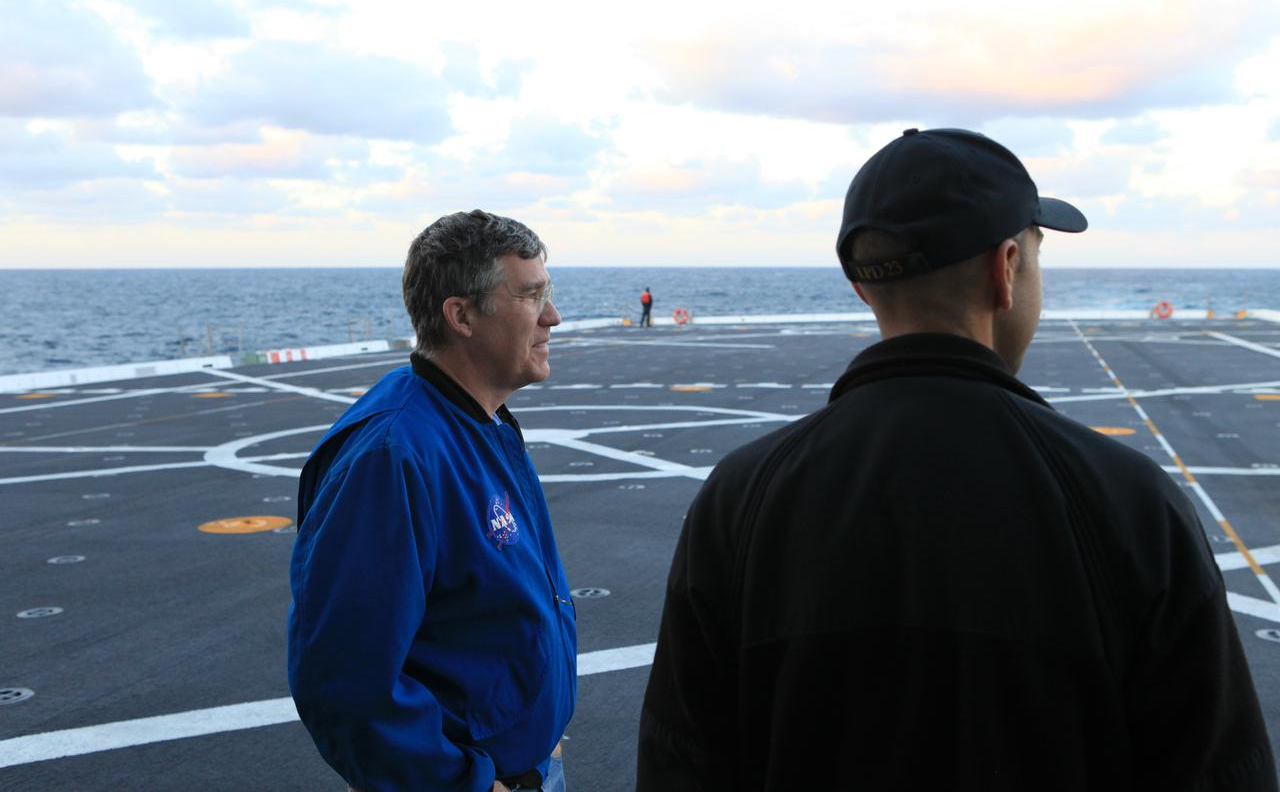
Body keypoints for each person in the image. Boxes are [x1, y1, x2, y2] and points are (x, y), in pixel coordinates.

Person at [637, 129, 1276, 790]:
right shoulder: (1131, 500)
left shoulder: (739, 497)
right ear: (1006, 269)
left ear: (861, 287)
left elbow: (679, 763)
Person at [289, 210, 576, 792]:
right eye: (531, 296)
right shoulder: (393, 455)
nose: (552, 317)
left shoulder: (479, 421)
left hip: (527, 765)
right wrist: (461, 781)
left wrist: (535, 722)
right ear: (461, 316)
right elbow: (345, 682)